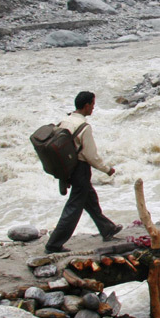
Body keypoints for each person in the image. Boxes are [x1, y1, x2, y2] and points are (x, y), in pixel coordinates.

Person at [45, 91, 123, 253]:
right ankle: (54, 244)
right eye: (93, 104)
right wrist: (107, 169)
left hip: (69, 167)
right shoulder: (84, 127)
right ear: (86, 105)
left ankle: (107, 228)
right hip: (81, 169)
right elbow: (90, 155)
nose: (93, 108)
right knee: (74, 207)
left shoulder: (65, 120)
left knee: (90, 199)